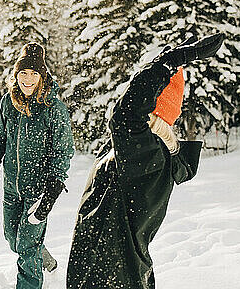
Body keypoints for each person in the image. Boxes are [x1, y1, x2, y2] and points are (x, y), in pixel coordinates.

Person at [66, 33, 225, 289]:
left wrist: (169, 63)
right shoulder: (142, 152)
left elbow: (125, 114)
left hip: (110, 278)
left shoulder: (147, 155)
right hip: (114, 275)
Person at [0, 43, 75, 289]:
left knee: (26, 248)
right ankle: (47, 262)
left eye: (34, 73)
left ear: (42, 76)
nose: (28, 79)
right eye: (23, 73)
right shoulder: (8, 104)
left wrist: (50, 194)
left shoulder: (53, 109)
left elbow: (62, 152)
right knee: (13, 239)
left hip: (38, 191)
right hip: (12, 188)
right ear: (16, 75)